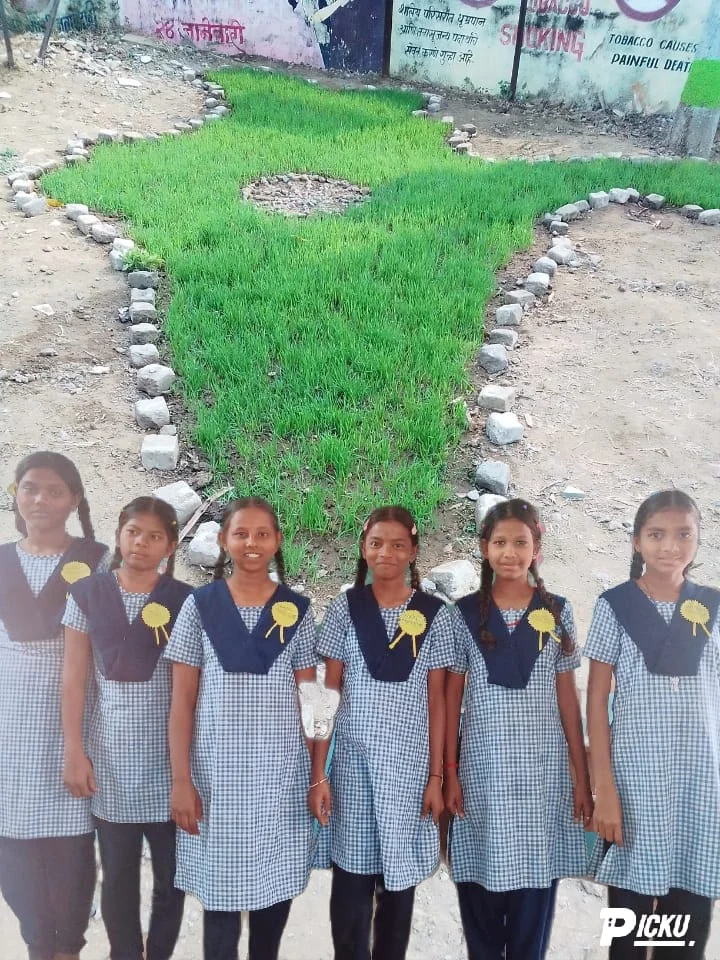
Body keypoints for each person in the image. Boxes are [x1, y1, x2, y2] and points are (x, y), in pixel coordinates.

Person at [166, 497, 317, 960]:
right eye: (241, 533)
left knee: (272, 901)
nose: (252, 543)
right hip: (217, 782)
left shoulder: (296, 610)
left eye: (262, 534)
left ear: (278, 541)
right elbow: (182, 701)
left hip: (280, 782)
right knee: (221, 912)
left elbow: (310, 699)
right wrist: (181, 780)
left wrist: (318, 775)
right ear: (223, 540)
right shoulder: (200, 606)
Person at [445, 498, 591, 960]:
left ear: (536, 549)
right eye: (500, 542)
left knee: (532, 916)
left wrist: (581, 777)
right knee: (481, 908)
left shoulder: (558, 612)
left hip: (541, 785)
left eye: (520, 543)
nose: (510, 552)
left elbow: (568, 699)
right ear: (484, 548)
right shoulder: (463, 615)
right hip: (482, 779)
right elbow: (450, 701)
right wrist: (448, 773)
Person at [310, 506, 454, 960]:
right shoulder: (346, 609)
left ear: (413, 551)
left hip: (410, 777)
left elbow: (438, 702)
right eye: (376, 543)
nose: (385, 553)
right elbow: (328, 694)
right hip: (353, 772)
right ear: (363, 548)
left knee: (396, 894)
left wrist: (437, 777)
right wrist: (319, 773)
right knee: (350, 899)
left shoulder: (436, 615)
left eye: (397, 545)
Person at [586, 490, 720, 960]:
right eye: (657, 534)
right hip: (635, 791)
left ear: (699, 539)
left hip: (700, 793)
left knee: (684, 937)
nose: (670, 546)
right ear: (636, 541)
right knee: (628, 934)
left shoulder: (714, 607)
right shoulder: (615, 606)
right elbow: (596, 700)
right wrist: (604, 788)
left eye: (684, 534)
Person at [62, 496, 191, 960]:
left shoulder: (185, 602)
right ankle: (124, 953)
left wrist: (187, 775)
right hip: (109, 760)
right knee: (116, 875)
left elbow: (189, 692)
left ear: (170, 547)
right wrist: (74, 751)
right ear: (119, 535)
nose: (141, 543)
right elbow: (74, 678)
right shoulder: (87, 594)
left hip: (169, 765)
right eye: (133, 532)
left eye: (155, 536)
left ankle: (158, 953)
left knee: (172, 876)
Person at [0, 451, 107, 960]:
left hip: (74, 730)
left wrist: (82, 745)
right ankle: (38, 944)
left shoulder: (99, 563)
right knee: (13, 853)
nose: (40, 499)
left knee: (70, 850)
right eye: (29, 488)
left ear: (74, 500)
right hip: (8, 730)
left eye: (54, 491)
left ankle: (68, 948)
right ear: (15, 495)